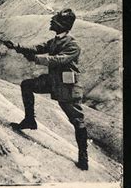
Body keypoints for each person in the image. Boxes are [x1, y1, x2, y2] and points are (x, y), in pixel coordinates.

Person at [5, 9, 89, 170]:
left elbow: (59, 60)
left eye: (55, 20)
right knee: (27, 85)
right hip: (53, 81)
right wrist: (16, 47)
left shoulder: (73, 45)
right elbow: (39, 47)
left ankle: (83, 157)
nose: (51, 22)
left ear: (63, 24)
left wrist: (36, 58)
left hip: (67, 87)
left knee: (77, 120)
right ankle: (30, 120)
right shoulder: (56, 40)